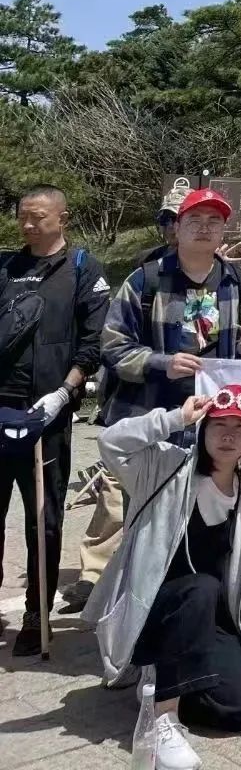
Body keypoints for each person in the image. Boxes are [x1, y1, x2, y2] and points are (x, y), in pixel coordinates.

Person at [84, 386, 241, 767]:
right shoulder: (164, 467)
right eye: (218, 424)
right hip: (152, 612)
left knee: (239, 709)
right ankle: (163, 718)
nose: (228, 435)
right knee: (201, 587)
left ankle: (164, 678)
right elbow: (111, 442)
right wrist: (173, 419)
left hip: (205, 619)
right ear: (202, 429)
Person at [0, 185, 110, 654]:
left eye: (39, 217)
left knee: (42, 519)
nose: (29, 225)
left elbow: (94, 342)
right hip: (0, 407)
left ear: (62, 218)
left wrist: (65, 392)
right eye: (24, 217)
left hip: (47, 413)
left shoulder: (83, 271)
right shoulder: (6, 267)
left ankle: (34, 615)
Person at [101, 189, 241, 427]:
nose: (204, 228)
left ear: (223, 230)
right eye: (194, 220)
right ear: (177, 227)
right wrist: (163, 364)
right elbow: (112, 348)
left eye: (214, 221)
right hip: (154, 417)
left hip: (215, 417)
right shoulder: (145, 280)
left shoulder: (235, 282)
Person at [139, 187, 187, 266]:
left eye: (176, 218)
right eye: (165, 219)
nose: (170, 225)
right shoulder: (146, 259)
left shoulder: (209, 263)